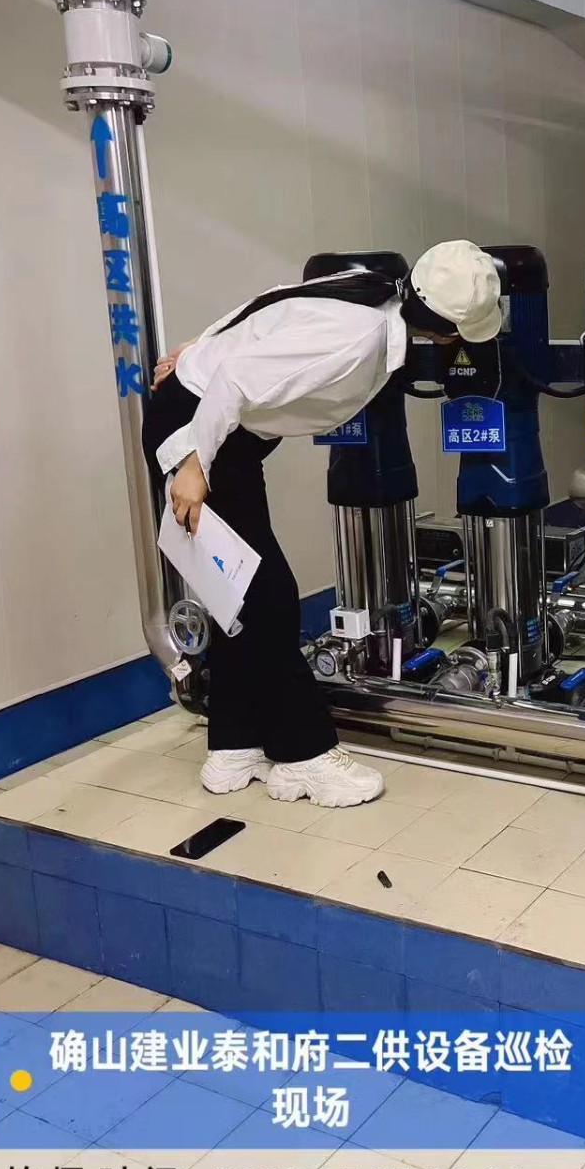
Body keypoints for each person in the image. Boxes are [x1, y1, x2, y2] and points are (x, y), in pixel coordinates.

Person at [142, 238, 502, 808]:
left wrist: (197, 349)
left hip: (224, 432)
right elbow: (233, 379)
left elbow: (269, 305)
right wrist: (194, 466)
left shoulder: (375, 296)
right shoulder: (358, 338)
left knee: (237, 595)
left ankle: (234, 746)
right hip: (199, 432)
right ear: (446, 331)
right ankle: (304, 756)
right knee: (270, 598)